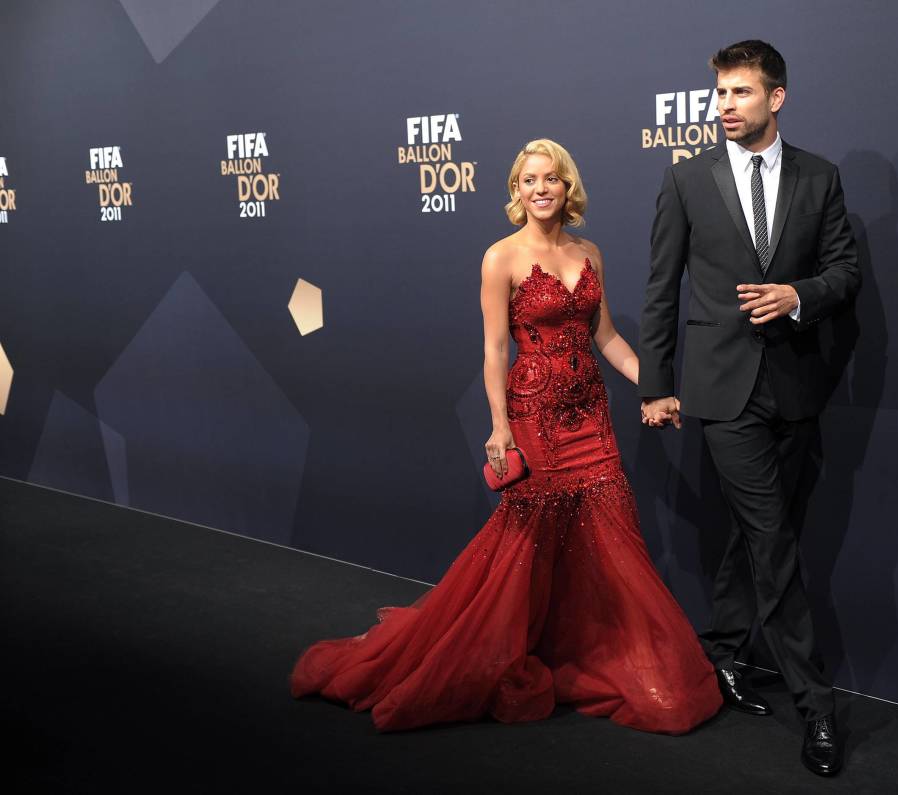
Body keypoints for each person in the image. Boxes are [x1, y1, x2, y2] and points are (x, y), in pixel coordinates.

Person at [290, 138, 722, 735]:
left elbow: (609, 339)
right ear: (516, 192)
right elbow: (495, 350)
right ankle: (493, 646)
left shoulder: (589, 252)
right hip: (534, 414)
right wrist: (499, 427)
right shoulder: (501, 258)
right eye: (528, 180)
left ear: (568, 186)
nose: (540, 189)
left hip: (591, 415)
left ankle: (586, 648)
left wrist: (653, 387)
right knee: (530, 539)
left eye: (550, 178)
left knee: (610, 533)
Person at [637, 41, 860, 776]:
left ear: (777, 97)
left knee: (758, 528)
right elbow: (660, 288)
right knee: (771, 539)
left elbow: (845, 271)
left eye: (739, 92)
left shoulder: (818, 177)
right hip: (720, 389)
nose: (724, 105)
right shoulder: (686, 180)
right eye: (720, 93)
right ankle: (816, 703)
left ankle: (726, 652)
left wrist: (798, 296)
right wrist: (657, 384)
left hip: (796, 385)